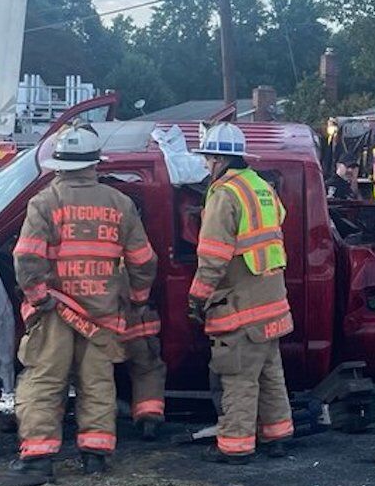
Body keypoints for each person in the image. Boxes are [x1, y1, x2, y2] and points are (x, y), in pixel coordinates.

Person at [10, 125, 156, 476]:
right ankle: (95, 457)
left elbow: (27, 257)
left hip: (56, 311)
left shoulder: (45, 202)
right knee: (97, 384)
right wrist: (137, 299)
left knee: (45, 381)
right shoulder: (120, 204)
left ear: (59, 165)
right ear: (95, 164)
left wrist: (38, 296)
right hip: (102, 315)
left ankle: (38, 460)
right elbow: (143, 261)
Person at [190, 122, 295, 463]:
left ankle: (236, 446)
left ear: (219, 159)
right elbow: (279, 217)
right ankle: (278, 437)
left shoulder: (224, 195)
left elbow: (213, 256)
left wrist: (197, 298)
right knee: (270, 372)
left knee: (238, 376)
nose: (205, 165)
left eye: (207, 158)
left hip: (241, 303)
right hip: (272, 299)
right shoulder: (261, 186)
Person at [121, 302, 166, 440]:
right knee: (148, 370)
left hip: (97, 325)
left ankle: (100, 426)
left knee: (97, 376)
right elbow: (143, 281)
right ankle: (149, 418)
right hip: (136, 323)